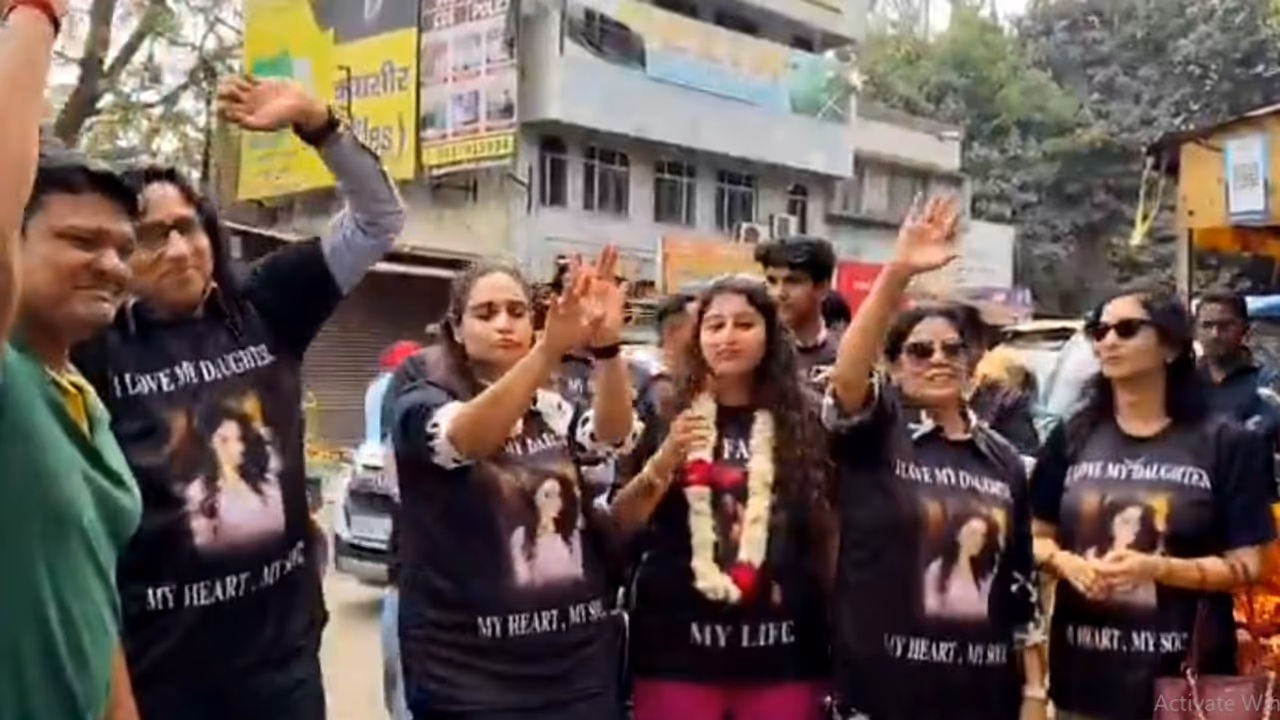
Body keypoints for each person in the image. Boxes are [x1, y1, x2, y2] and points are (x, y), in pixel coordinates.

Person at [71, 75, 405, 719]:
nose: (178, 250)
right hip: (161, 681)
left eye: (188, 226)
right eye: (151, 236)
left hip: (284, 671)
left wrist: (318, 122)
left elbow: (378, 220)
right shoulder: (90, 348)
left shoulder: (265, 304)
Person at [389, 251, 640, 720]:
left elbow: (611, 435)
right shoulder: (422, 400)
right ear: (456, 329)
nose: (504, 324)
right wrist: (546, 352)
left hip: (578, 670)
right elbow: (468, 439)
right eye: (485, 314)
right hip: (472, 681)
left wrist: (607, 350)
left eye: (516, 311)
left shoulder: (551, 408)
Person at [822, 196, 1046, 720]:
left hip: (982, 696)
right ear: (894, 368)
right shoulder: (876, 432)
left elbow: (1020, 584)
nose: (939, 359)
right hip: (881, 693)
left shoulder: (1003, 459)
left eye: (953, 349)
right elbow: (848, 377)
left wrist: (1035, 689)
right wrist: (898, 272)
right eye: (920, 351)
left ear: (972, 362)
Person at [1031, 290, 1277, 720]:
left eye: (1126, 329)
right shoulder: (1072, 437)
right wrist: (1066, 564)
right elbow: (1034, 535)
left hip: (1188, 685)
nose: (1108, 341)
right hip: (1084, 683)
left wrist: (1158, 569)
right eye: (1099, 331)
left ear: (1171, 347)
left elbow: (1252, 564)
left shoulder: (1228, 443)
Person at [611, 275, 833, 720]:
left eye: (744, 324)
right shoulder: (664, 409)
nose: (727, 337)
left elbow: (826, 534)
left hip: (783, 653)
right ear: (697, 336)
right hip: (676, 653)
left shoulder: (805, 418)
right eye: (715, 325)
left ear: (770, 335)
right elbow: (622, 521)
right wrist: (666, 459)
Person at [754, 236, 840, 385]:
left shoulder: (842, 358)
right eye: (772, 281)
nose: (779, 293)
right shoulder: (753, 353)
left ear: (822, 288)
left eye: (792, 281)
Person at [1195, 289, 1280, 437]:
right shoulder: (1185, 381)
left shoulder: (1268, 383)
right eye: (1207, 326)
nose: (1215, 334)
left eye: (1225, 326)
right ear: (1196, 330)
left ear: (1245, 329)